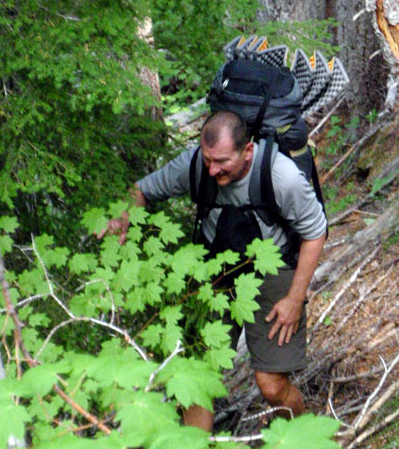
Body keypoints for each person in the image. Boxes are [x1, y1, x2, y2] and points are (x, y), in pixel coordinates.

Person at [99, 110, 327, 431]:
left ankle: (306, 439)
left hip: (273, 271)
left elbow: (315, 233)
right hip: (214, 273)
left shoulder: (281, 176)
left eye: (221, 161)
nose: (212, 168)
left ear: (247, 151)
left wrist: (294, 299)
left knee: (272, 386)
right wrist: (122, 216)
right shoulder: (196, 166)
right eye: (207, 159)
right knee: (196, 378)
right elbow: (142, 190)